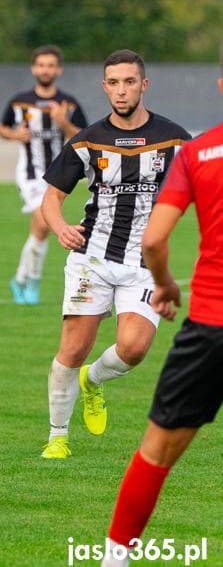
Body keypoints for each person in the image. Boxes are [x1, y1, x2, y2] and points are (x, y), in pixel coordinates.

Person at [99, 59, 223, 567]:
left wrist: (168, 286)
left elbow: (153, 238)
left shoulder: (199, 152)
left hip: (211, 324)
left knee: (157, 452)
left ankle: (114, 558)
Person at [39, 50, 191, 459]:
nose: (121, 90)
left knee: (134, 349)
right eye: (113, 82)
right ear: (104, 87)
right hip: (92, 257)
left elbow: (202, 189)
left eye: (129, 82)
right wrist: (60, 227)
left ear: (144, 85)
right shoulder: (87, 140)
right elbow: (51, 199)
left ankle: (93, 382)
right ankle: (57, 436)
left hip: (144, 264)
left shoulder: (175, 139)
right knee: (72, 350)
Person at [0, 45, 87, 304]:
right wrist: (15, 134)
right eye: (41, 65)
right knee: (43, 219)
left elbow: (84, 137)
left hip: (58, 176)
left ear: (58, 69)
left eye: (50, 65)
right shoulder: (20, 101)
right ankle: (33, 281)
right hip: (29, 174)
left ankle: (21, 279)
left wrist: (64, 123)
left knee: (40, 228)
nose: (45, 69)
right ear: (33, 68)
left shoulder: (68, 104)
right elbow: (2, 128)